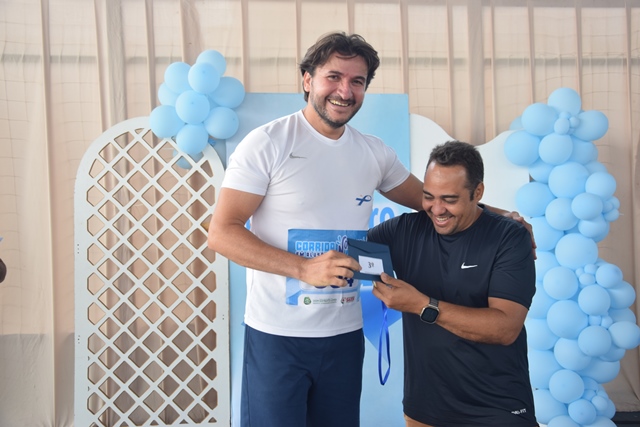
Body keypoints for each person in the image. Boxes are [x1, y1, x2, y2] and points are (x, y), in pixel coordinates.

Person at [208, 32, 532, 427]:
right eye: (333, 77)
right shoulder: (266, 143)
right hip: (278, 336)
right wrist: (303, 268)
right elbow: (222, 232)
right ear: (307, 79)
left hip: (345, 336)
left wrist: (504, 217)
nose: (345, 91)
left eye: (357, 81)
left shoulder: (374, 152)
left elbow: (433, 200)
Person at [368, 140, 538, 427]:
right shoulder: (404, 230)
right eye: (428, 196)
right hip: (424, 410)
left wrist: (423, 306)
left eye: (449, 199)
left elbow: (505, 328)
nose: (436, 209)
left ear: (477, 193)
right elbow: (345, 246)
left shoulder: (509, 237)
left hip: (497, 408)